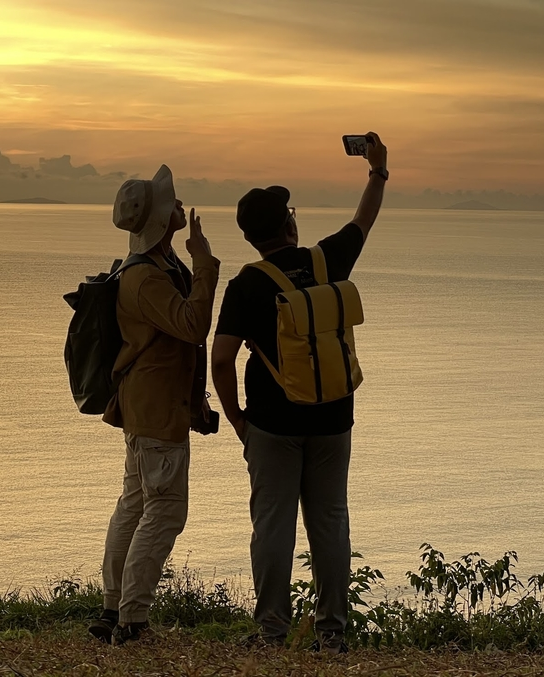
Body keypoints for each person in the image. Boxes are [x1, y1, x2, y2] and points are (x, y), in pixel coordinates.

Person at [210, 133, 388, 652]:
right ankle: (333, 633)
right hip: (335, 417)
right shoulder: (325, 260)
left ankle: (270, 631)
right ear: (288, 223)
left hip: (271, 423)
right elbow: (364, 220)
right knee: (330, 522)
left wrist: (239, 419)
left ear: (250, 236)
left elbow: (220, 358)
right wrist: (377, 169)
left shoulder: (246, 284)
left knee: (273, 526)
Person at [88, 164, 220, 646]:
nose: (180, 206)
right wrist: (205, 262)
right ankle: (132, 617)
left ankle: (113, 608)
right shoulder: (146, 278)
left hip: (149, 406)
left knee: (136, 503)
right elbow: (191, 325)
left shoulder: (152, 266)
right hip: (154, 411)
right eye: (173, 204)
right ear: (163, 221)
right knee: (164, 510)